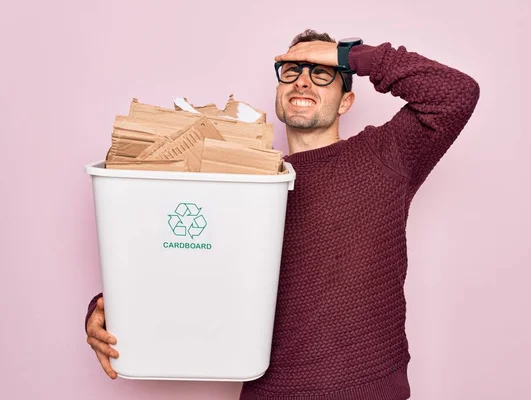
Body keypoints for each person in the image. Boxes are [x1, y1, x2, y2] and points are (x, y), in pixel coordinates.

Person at [85, 29, 480, 399]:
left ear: (346, 101)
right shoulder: (242, 182)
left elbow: (457, 93)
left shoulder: (386, 154)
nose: (303, 82)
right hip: (271, 390)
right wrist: (112, 308)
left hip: (368, 389)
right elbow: (188, 265)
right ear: (278, 95)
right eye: (292, 72)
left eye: (322, 73)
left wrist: (350, 55)